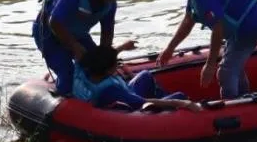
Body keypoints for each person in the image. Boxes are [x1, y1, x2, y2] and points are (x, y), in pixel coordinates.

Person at [153, 0, 257, 99]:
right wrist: (170, 48)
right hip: (240, 27)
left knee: (225, 73)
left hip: (250, 26)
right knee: (235, 68)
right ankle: (244, 97)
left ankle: (234, 108)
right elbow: (189, 19)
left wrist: (210, 64)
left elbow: (218, 29)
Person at [32, 0, 136, 97]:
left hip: (78, 33)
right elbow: (55, 23)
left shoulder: (110, 3)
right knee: (67, 75)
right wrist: (74, 47)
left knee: (96, 67)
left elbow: (107, 34)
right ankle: (64, 92)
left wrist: (105, 60)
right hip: (49, 33)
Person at [73, 46, 202, 112]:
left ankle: (163, 96)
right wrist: (182, 103)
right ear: (107, 70)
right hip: (135, 107)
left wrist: (129, 73)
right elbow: (142, 101)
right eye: (115, 64)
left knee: (145, 75)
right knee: (179, 96)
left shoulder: (85, 72)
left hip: (127, 94)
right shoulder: (111, 91)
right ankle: (169, 111)